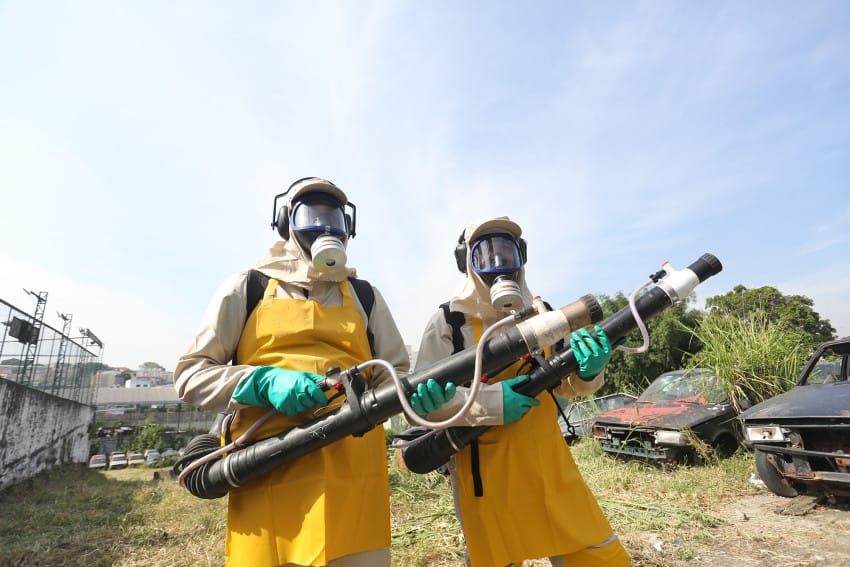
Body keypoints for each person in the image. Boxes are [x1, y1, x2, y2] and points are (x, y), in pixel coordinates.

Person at [174, 176, 455, 567]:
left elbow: (394, 376)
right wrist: (261, 381)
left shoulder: (364, 296)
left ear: (348, 227)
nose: (324, 228)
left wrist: (418, 398)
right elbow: (190, 374)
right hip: (267, 469)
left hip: (354, 480)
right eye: (312, 215)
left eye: (334, 218)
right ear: (286, 223)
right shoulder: (248, 286)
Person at [413, 216, 631, 567]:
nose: (499, 266)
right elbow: (424, 403)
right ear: (466, 263)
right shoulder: (449, 323)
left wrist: (591, 369)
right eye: (486, 255)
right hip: (485, 472)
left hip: (549, 462)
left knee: (597, 555)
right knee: (497, 558)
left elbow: (567, 384)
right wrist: (492, 404)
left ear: (521, 257)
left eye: (507, 253)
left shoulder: (542, 314)